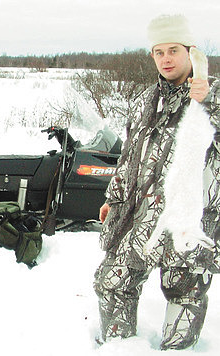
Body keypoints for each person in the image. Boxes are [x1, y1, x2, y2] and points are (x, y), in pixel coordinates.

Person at [93, 14, 219, 350]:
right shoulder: (145, 100)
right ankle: (120, 348)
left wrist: (206, 101)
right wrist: (113, 198)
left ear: (190, 53)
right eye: (158, 51)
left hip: (186, 220)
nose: (165, 58)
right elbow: (129, 157)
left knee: (184, 290)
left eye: (173, 50)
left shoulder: (212, 95)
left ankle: (177, 351)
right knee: (113, 281)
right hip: (140, 215)